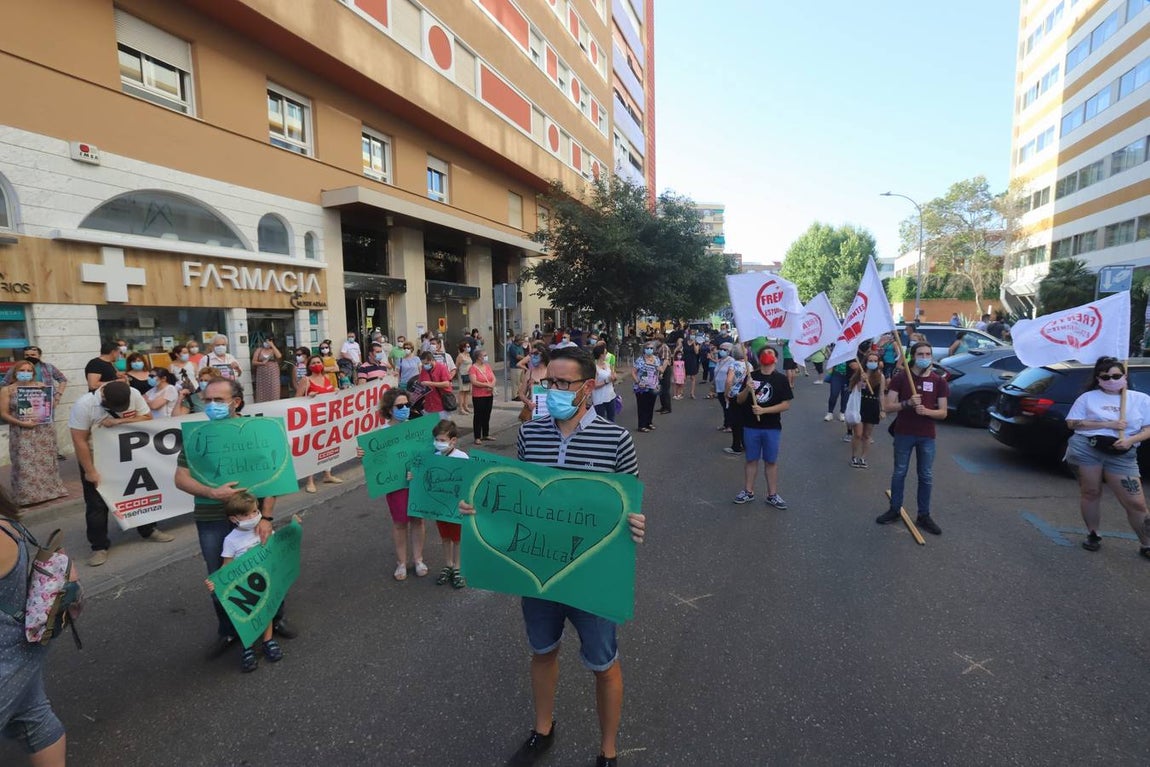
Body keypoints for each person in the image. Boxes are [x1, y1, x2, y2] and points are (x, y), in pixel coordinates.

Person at [459, 346, 645, 767]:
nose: (553, 390)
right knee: (542, 651)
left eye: (563, 383)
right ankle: (542, 729)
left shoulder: (616, 439)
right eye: (548, 383)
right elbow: (521, 500)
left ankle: (608, 750)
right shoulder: (531, 434)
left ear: (588, 387)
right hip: (540, 571)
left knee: (604, 664)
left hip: (591, 575)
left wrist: (636, 523)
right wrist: (478, 508)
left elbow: (627, 504)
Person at [174, 378, 295, 659]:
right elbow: (180, 478)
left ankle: (275, 619)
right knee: (221, 575)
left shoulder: (256, 431)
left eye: (218, 400)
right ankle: (229, 630)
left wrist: (266, 517)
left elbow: (273, 478)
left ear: (236, 402)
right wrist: (211, 492)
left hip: (254, 518)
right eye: (207, 400)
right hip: (211, 518)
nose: (211, 405)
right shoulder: (197, 436)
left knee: (267, 568)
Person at [69, 381, 174, 566]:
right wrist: (90, 471)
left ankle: (148, 530)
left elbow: (147, 418)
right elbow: (79, 440)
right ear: (103, 397)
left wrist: (119, 421)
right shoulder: (84, 405)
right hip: (96, 459)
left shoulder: (133, 393)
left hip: (129, 455)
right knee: (96, 504)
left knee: (140, 493)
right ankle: (99, 546)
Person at [0, 488, 67, 766]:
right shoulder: (6, 522)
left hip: (6, 660)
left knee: (34, 717)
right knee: (33, 717)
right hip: (20, 648)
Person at [1064, 357, 1150, 558]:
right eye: (1106, 377)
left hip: (1122, 454)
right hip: (1087, 448)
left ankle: (1147, 543)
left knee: (1136, 502)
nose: (1111, 380)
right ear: (1098, 379)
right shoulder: (1087, 398)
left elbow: (1148, 428)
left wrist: (1130, 440)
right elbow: (1072, 423)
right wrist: (1108, 425)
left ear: (1125, 376)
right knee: (1091, 492)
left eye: (1116, 376)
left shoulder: (1141, 399)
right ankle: (1093, 533)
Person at [204, 492, 289, 673]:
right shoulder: (230, 540)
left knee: (265, 611)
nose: (252, 517)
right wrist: (216, 582)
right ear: (234, 519)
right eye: (246, 514)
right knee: (244, 616)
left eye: (255, 512)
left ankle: (268, 641)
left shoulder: (264, 531)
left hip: (264, 581)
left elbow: (274, 550)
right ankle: (247, 647)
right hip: (243, 587)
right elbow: (226, 567)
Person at [876, 341, 948, 535]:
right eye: (920, 354)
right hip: (904, 432)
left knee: (926, 475)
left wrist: (927, 411)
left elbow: (943, 412)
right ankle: (894, 509)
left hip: (927, 436)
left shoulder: (939, 381)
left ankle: (924, 515)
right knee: (899, 472)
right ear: (913, 356)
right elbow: (887, 406)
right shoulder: (901, 378)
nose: (924, 358)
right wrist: (907, 403)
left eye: (928, 354)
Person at [356, 388, 428, 581]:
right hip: (396, 485)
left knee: (418, 520)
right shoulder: (381, 435)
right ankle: (401, 562)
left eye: (407, 405)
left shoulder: (418, 428)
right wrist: (363, 455)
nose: (405, 408)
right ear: (389, 409)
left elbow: (429, 453)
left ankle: (419, 559)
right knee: (400, 523)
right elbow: (376, 462)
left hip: (417, 483)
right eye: (400, 406)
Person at [0, 360, 67, 506]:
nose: (25, 373)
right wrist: (21, 423)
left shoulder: (40, 386)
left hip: (44, 430)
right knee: (24, 463)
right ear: (15, 372)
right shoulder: (7, 390)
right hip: (21, 431)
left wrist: (49, 395)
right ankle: (27, 496)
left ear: (33, 373)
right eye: (22, 370)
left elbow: (50, 407)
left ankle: (50, 491)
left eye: (29, 371)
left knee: (46, 460)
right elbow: (4, 413)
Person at [733, 346, 793, 508]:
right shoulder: (751, 376)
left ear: (776, 359)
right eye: (764, 353)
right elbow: (739, 400)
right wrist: (747, 389)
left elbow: (786, 404)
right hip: (751, 426)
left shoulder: (781, 379)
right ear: (759, 359)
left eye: (770, 353)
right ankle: (748, 491)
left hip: (772, 427)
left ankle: (772, 494)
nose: (767, 355)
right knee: (751, 459)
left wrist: (764, 410)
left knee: (770, 461)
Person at [429, 420, 469, 589]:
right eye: (436, 440)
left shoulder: (462, 457)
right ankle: (448, 564)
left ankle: (458, 568)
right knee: (445, 537)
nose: (439, 443)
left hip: (456, 508)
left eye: (442, 440)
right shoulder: (434, 457)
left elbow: (469, 481)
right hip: (440, 507)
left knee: (457, 539)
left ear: (453, 440)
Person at [295, 356, 343, 493]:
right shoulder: (306, 380)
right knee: (313, 448)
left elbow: (331, 395)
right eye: (313, 363)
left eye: (318, 362)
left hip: (328, 418)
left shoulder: (326, 377)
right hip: (312, 419)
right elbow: (296, 399)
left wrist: (335, 392)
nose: (316, 364)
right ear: (309, 366)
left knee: (328, 445)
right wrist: (308, 397)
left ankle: (327, 474)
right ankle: (310, 480)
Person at [849, 351, 886, 469]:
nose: (873, 363)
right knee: (858, 434)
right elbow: (853, 389)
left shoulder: (881, 376)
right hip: (860, 405)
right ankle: (854, 456)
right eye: (870, 360)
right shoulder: (860, 374)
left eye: (875, 361)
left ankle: (863, 457)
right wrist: (861, 381)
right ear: (866, 362)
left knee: (867, 435)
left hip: (872, 406)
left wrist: (882, 409)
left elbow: (881, 394)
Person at [3, 347, 67, 409]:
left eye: (33, 355)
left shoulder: (48, 367)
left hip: (45, 402)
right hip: (22, 403)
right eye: (27, 355)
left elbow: (62, 379)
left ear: (39, 355)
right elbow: (4, 383)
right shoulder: (16, 368)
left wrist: (58, 395)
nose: (30, 357)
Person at [723, 344, 749, 456]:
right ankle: (746, 444)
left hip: (734, 395)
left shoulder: (733, 365)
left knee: (736, 422)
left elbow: (729, 381)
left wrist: (726, 393)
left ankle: (736, 446)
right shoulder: (749, 365)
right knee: (744, 421)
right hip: (746, 394)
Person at [631, 342, 662, 433]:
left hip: (653, 386)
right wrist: (638, 382)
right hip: (642, 387)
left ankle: (649, 422)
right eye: (648, 348)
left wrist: (660, 375)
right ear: (644, 349)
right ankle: (641, 425)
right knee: (642, 406)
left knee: (651, 405)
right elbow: (633, 372)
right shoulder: (640, 360)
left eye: (651, 348)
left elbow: (659, 370)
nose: (649, 350)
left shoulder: (656, 359)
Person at [469, 349, 496, 445]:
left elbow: (493, 378)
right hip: (478, 396)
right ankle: (477, 436)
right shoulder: (473, 368)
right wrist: (487, 385)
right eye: (484, 355)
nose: (486, 357)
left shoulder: (487, 366)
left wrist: (492, 385)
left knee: (487, 414)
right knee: (478, 416)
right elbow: (474, 381)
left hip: (489, 394)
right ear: (478, 357)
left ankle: (485, 434)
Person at [418, 351, 454, 421]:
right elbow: (421, 382)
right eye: (423, 363)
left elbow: (447, 384)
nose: (424, 365)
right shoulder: (424, 369)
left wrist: (430, 383)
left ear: (431, 360)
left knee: (443, 426)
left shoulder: (442, 368)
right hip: (428, 406)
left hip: (441, 405)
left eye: (426, 363)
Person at [251, 336, 282, 403]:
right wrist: (261, 363)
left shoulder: (273, 350)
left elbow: (279, 356)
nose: (267, 343)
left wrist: (272, 345)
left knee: (274, 389)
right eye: (266, 341)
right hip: (262, 374)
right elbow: (253, 362)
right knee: (262, 390)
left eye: (269, 341)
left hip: (273, 373)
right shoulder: (259, 350)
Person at [591, 345, 618, 422]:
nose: (607, 354)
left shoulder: (607, 364)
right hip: (599, 398)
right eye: (605, 353)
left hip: (610, 395)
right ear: (601, 355)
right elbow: (594, 385)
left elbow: (612, 375)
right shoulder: (594, 368)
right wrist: (606, 381)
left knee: (611, 418)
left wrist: (614, 377)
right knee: (600, 420)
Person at [713, 342, 734, 429]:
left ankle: (730, 425)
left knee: (728, 407)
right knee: (724, 407)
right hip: (719, 388)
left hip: (727, 388)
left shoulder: (731, 361)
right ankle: (726, 424)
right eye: (720, 349)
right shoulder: (720, 361)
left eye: (724, 349)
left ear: (729, 351)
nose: (721, 351)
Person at [824, 357, 850, 422]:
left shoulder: (853, 354)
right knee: (834, 394)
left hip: (848, 376)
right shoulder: (837, 353)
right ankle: (830, 413)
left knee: (845, 396)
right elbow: (831, 361)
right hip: (837, 375)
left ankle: (842, 413)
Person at [455, 341, 473, 416]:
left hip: (469, 375)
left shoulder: (468, 355)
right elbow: (457, 366)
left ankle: (466, 406)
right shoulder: (460, 356)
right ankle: (461, 408)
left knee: (467, 391)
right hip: (462, 375)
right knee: (462, 391)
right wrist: (456, 375)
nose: (469, 348)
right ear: (463, 348)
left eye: (469, 346)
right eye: (467, 346)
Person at [656, 338, 673, 415]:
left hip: (665, 369)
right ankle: (663, 406)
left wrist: (662, 372)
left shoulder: (664, 347)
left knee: (665, 390)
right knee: (661, 390)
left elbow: (665, 360)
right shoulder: (659, 347)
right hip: (661, 368)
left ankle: (667, 408)